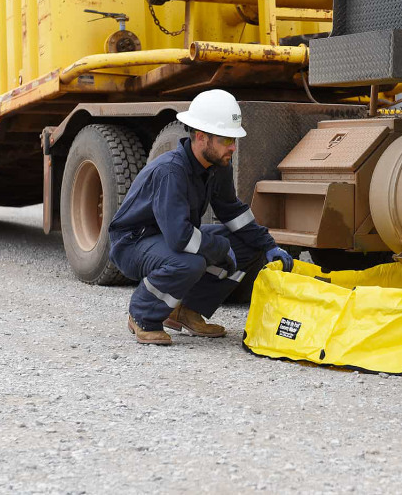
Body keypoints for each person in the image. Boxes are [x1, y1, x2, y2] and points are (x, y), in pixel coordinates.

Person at [108, 89, 293, 345]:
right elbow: (180, 238)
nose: (233, 147)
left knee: (246, 246)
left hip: (170, 236)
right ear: (202, 138)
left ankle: (186, 311)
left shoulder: (217, 167)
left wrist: (268, 245)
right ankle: (143, 315)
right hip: (133, 243)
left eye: (234, 140)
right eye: (226, 140)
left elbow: (232, 211)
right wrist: (218, 248)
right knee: (189, 262)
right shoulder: (171, 172)